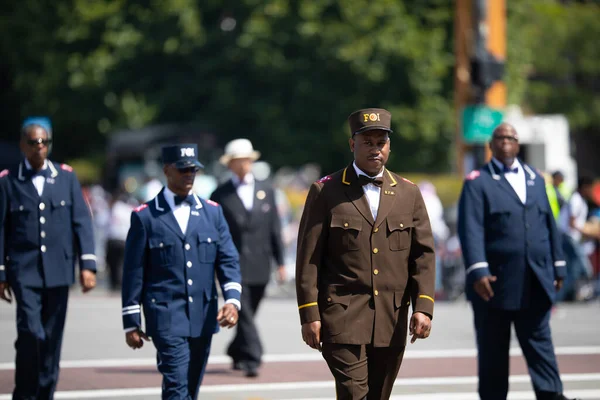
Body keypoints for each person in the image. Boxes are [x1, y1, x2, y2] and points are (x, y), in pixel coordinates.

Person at [295, 108, 436, 400]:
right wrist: (309, 313)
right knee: (353, 395)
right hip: (341, 317)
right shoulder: (326, 191)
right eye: (367, 142)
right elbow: (308, 258)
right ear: (352, 145)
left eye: (381, 142)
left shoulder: (409, 194)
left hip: (391, 317)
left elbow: (423, 256)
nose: (375, 149)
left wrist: (423, 307)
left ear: (389, 146)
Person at [457, 123, 578, 400]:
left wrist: (558, 264)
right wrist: (478, 271)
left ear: (518, 144)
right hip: (495, 284)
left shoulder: (535, 178)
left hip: (535, 279)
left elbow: (549, 223)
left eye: (511, 138)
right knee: (493, 352)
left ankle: (551, 394)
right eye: (500, 138)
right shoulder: (478, 181)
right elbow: (470, 229)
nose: (506, 142)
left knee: (541, 345)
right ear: (491, 145)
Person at [121, 143, 242, 400]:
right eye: (183, 169)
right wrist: (131, 322)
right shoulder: (145, 217)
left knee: (190, 386)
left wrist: (232, 300)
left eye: (193, 170)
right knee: (177, 385)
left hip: (203, 314)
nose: (189, 174)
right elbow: (134, 272)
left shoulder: (212, 212)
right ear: (167, 170)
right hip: (165, 315)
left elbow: (228, 260)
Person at [0, 116, 97, 399]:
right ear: (23, 145)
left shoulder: (66, 177)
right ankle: (25, 392)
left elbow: (81, 221)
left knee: (52, 339)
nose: (39, 147)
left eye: (44, 142)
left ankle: (45, 393)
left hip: (59, 268)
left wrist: (87, 265)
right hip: (24, 270)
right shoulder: (8, 181)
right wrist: (2, 272)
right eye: (33, 142)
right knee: (32, 333)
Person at [210, 138, 286, 378]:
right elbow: (214, 232)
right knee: (243, 312)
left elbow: (274, 229)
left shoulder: (268, 190)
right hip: (233, 265)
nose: (241, 165)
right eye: (236, 161)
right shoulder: (220, 194)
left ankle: (236, 349)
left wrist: (281, 262)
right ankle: (253, 356)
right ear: (229, 164)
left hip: (261, 263)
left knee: (249, 313)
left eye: (244, 160)